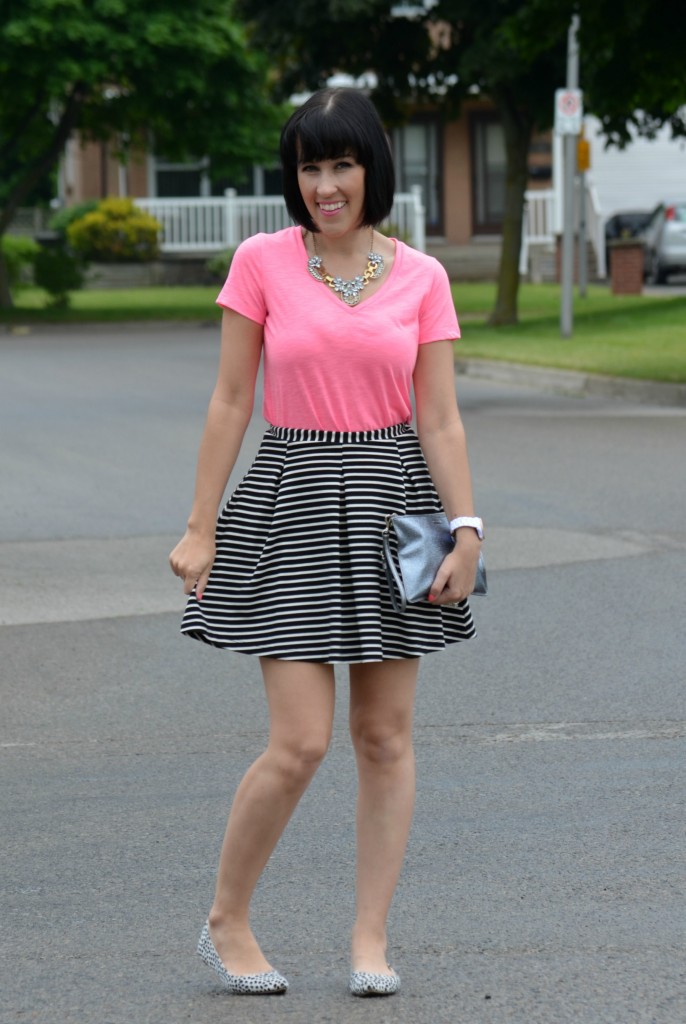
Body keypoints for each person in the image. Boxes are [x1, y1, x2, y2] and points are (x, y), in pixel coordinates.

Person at [169, 87, 483, 998]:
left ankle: (370, 938)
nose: (325, 185)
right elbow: (232, 401)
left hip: (400, 503)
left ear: (370, 167)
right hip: (292, 496)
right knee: (300, 741)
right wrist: (202, 525)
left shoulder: (423, 275)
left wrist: (466, 528)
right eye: (309, 166)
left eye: (341, 164)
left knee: (385, 737)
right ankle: (227, 918)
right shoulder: (262, 262)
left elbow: (441, 418)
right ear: (294, 175)